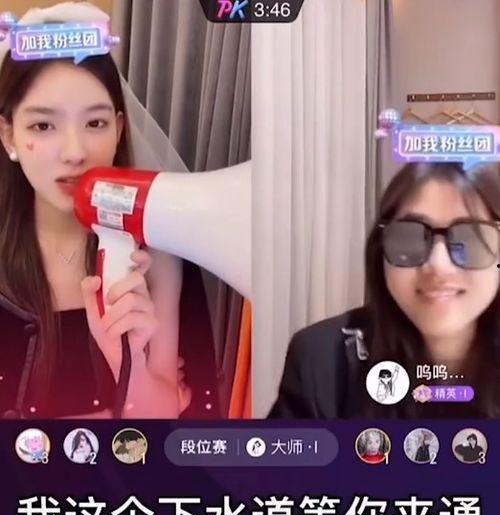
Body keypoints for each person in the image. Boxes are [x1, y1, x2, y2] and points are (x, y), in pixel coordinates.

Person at [0, 2, 218, 419]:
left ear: (119, 129)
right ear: (8, 136)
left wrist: (129, 359)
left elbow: (163, 425)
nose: (75, 152)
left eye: (95, 123)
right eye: (43, 126)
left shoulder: (159, 257)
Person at [269, 162, 500, 418]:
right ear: (380, 252)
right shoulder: (323, 360)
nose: (438, 266)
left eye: (469, 239)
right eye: (409, 238)